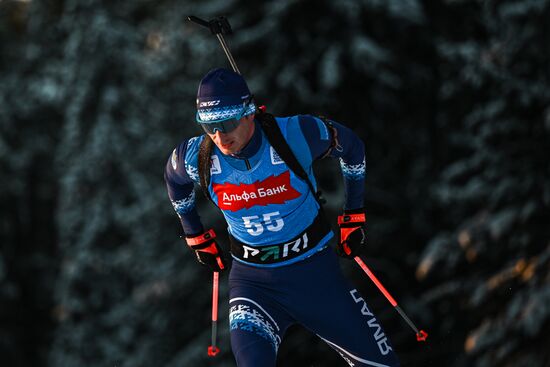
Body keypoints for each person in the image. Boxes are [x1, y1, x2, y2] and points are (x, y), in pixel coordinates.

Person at [164, 68, 400, 367]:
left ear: (249, 112)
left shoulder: (297, 134)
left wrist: (354, 213)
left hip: (315, 276)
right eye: (209, 126)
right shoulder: (197, 156)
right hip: (253, 285)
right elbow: (174, 180)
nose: (220, 135)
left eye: (228, 122)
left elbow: (352, 147)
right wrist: (195, 236)